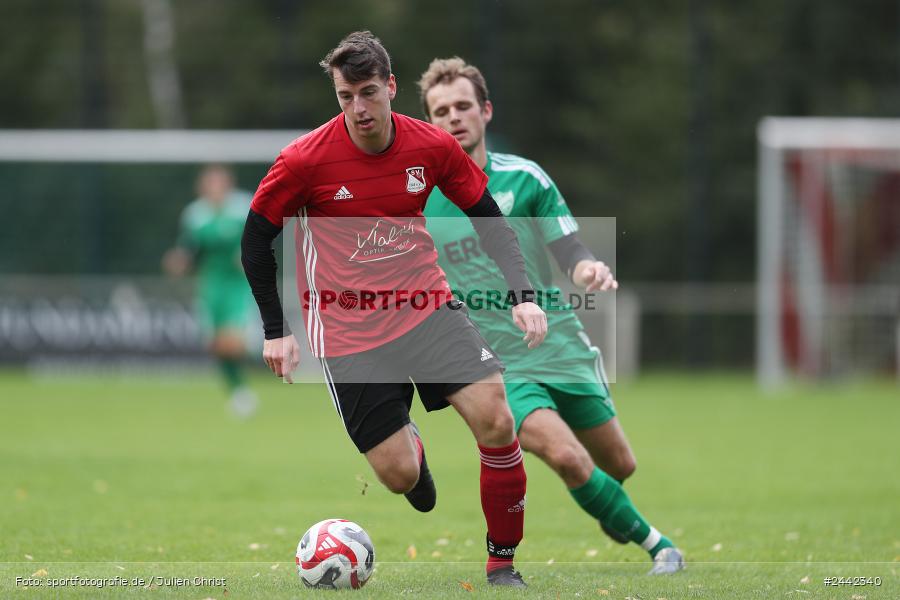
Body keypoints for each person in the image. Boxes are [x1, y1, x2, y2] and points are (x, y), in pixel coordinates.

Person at [240, 32, 549, 587]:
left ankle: (502, 563)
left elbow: (488, 216)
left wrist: (523, 295)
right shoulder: (305, 159)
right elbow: (255, 239)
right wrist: (275, 329)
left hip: (425, 306)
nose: (358, 108)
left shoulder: (431, 146)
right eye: (345, 95)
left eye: (367, 92)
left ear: (391, 86)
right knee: (401, 476)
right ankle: (413, 453)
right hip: (346, 326)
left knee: (497, 416)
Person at [418, 57, 684, 575]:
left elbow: (570, 249)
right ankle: (661, 547)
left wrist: (587, 271)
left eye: (463, 106)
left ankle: (614, 509)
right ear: (429, 122)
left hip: (558, 341)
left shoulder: (524, 179)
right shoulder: (419, 199)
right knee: (565, 458)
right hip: (495, 365)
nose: (454, 117)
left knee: (618, 464)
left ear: (486, 110)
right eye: (441, 110)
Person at [163, 164, 259, 418]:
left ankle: (252, 360)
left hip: (238, 283)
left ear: (228, 184)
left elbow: (260, 237)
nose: (215, 189)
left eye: (219, 183)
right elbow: (189, 248)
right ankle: (239, 392)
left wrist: (248, 255)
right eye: (210, 184)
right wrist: (179, 261)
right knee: (217, 344)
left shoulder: (242, 208)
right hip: (211, 283)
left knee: (232, 341)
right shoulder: (195, 214)